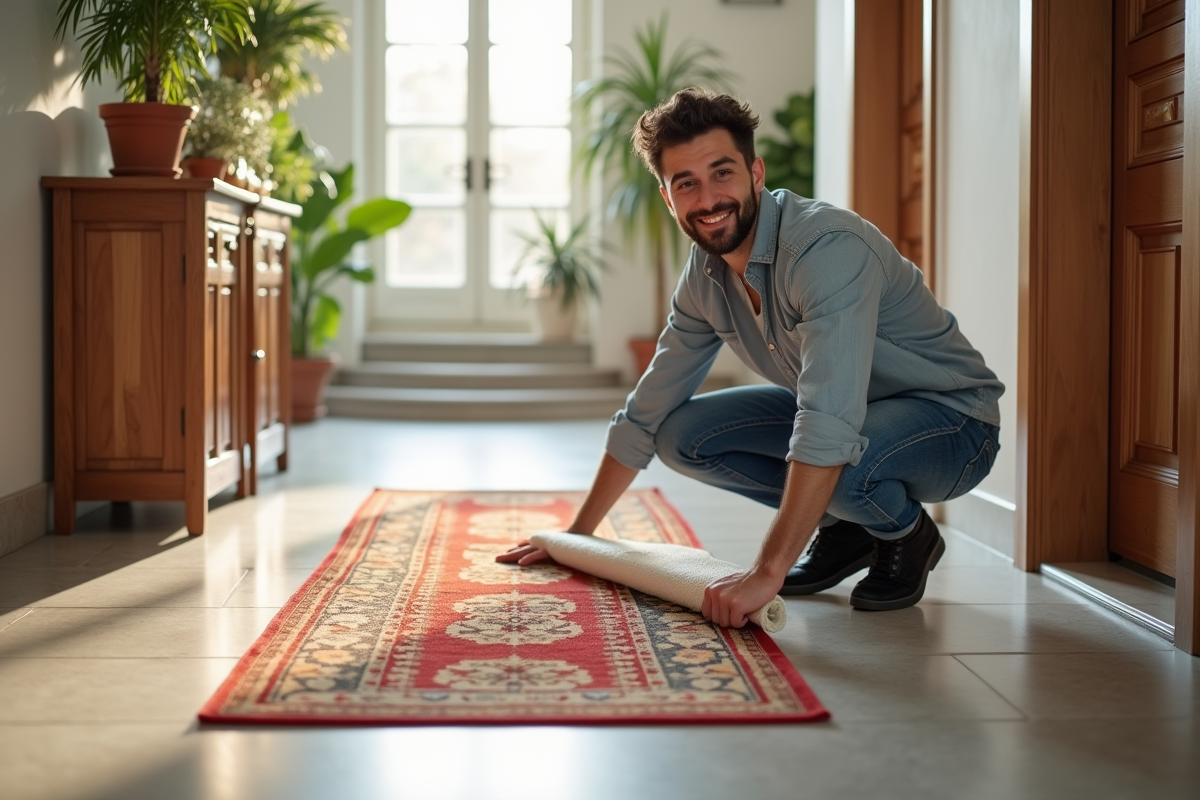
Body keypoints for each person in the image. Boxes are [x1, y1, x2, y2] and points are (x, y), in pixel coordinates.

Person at [497, 88, 1004, 628]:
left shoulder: (825, 248)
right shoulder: (705, 275)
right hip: (861, 424)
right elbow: (647, 410)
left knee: (843, 464)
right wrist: (576, 539)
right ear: (669, 200)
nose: (709, 198)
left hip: (953, 423)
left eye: (722, 173)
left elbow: (829, 421)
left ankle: (906, 534)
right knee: (682, 436)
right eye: (685, 183)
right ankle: (847, 525)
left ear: (756, 172)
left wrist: (767, 571)